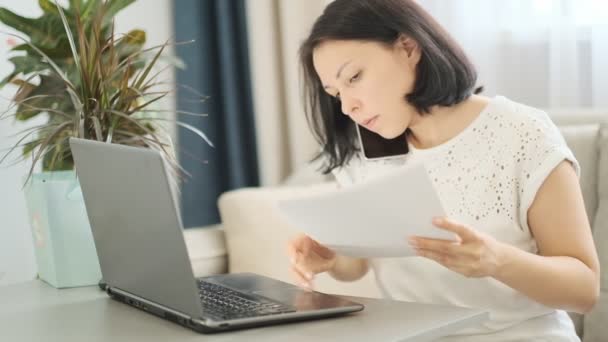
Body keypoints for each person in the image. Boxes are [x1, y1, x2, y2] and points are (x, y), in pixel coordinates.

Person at [286, 0, 600, 341]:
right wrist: (332, 256)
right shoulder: (366, 151)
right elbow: (359, 264)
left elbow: (583, 290)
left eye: (354, 77)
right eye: (335, 94)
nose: (348, 106)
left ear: (408, 47)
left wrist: (498, 261)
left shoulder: (522, 134)